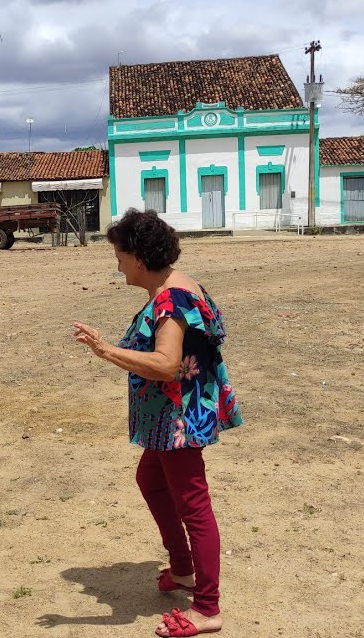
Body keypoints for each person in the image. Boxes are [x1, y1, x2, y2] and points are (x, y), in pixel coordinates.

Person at [71, 208, 243, 638]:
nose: (117, 264)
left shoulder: (170, 300)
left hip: (179, 420)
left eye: (120, 255)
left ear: (139, 258)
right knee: (150, 480)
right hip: (173, 417)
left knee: (194, 506)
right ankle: (183, 569)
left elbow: (167, 366)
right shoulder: (179, 284)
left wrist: (105, 349)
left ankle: (206, 608)